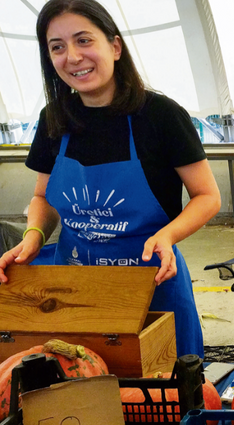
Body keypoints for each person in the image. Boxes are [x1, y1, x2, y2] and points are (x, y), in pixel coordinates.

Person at [0, 0, 221, 358]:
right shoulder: (55, 118)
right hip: (76, 288)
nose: (72, 57)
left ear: (114, 47)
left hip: (152, 284)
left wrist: (167, 235)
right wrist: (34, 236)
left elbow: (208, 196)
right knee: (85, 385)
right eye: (57, 47)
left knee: (164, 392)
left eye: (84, 40)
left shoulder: (161, 116)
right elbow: (43, 198)